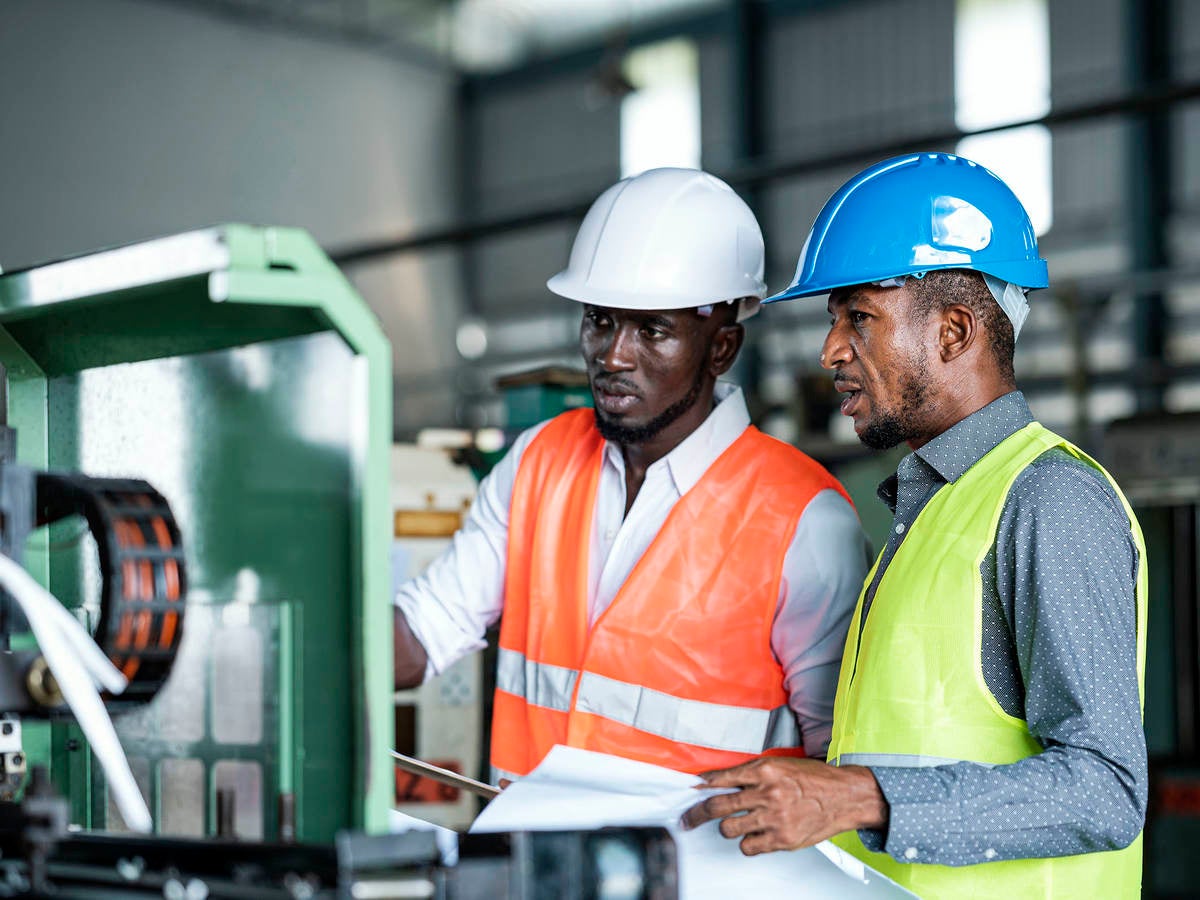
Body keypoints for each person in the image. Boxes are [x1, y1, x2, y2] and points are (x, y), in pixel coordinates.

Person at [683, 152, 1148, 899]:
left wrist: (857, 796)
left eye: (858, 317)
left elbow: (1105, 789)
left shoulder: (1047, 501)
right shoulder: (931, 510)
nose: (831, 350)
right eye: (834, 321)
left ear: (955, 333)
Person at [394, 166, 869, 783]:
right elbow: (426, 629)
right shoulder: (538, 461)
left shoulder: (804, 519)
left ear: (721, 348)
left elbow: (837, 762)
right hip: (535, 870)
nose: (613, 355)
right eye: (599, 320)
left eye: (653, 329)